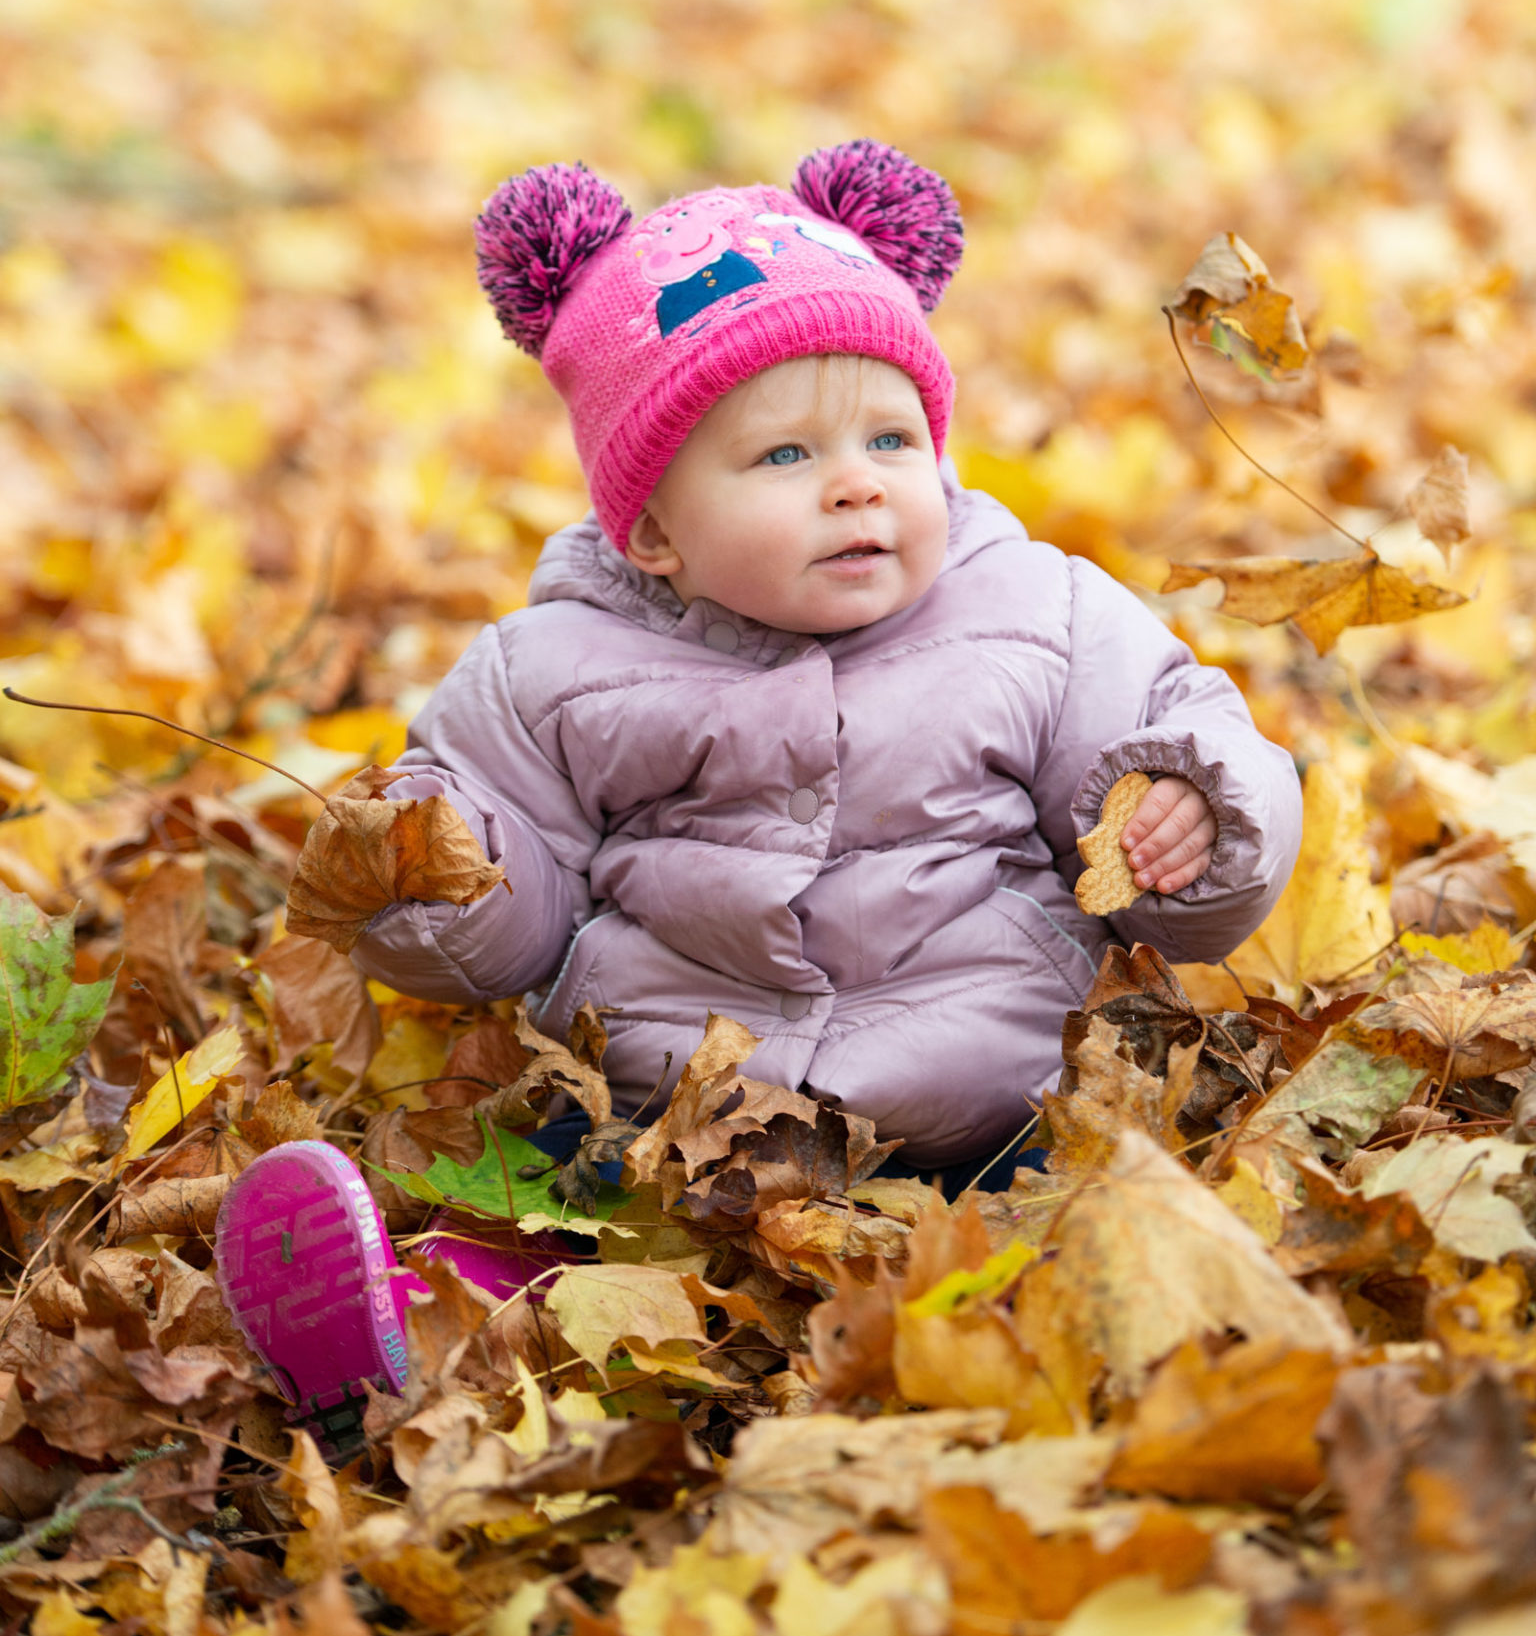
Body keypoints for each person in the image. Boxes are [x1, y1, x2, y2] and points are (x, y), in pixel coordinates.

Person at [216, 141, 1303, 1442]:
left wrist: (1199, 813)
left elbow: (1186, 729)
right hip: (685, 1121)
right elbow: (503, 928)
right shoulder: (552, 669)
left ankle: (1069, 1363)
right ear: (655, 532)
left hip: (990, 1112)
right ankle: (417, 1318)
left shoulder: (1040, 613)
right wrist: (431, 868)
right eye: (783, 457)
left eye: (891, 437)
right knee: (579, 1223)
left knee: (1073, 1230)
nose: (856, 482)